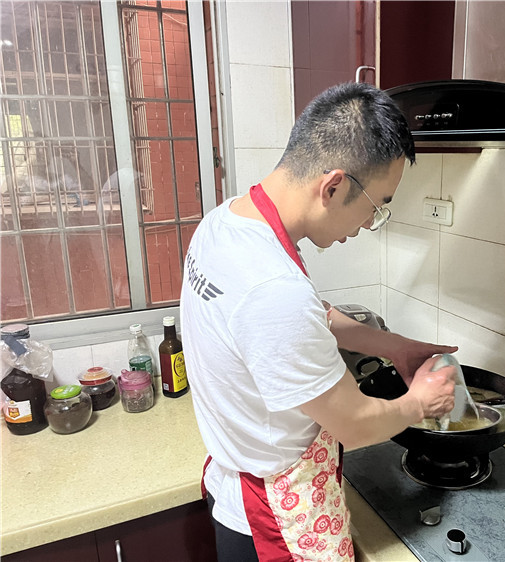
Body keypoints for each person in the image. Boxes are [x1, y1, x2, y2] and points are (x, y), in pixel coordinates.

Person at [180, 82, 458, 562]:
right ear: (334, 187)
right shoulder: (274, 288)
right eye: (378, 206)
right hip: (275, 523)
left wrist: (392, 345)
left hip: (236, 487)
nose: (369, 224)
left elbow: (313, 317)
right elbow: (355, 424)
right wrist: (420, 403)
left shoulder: (226, 224)